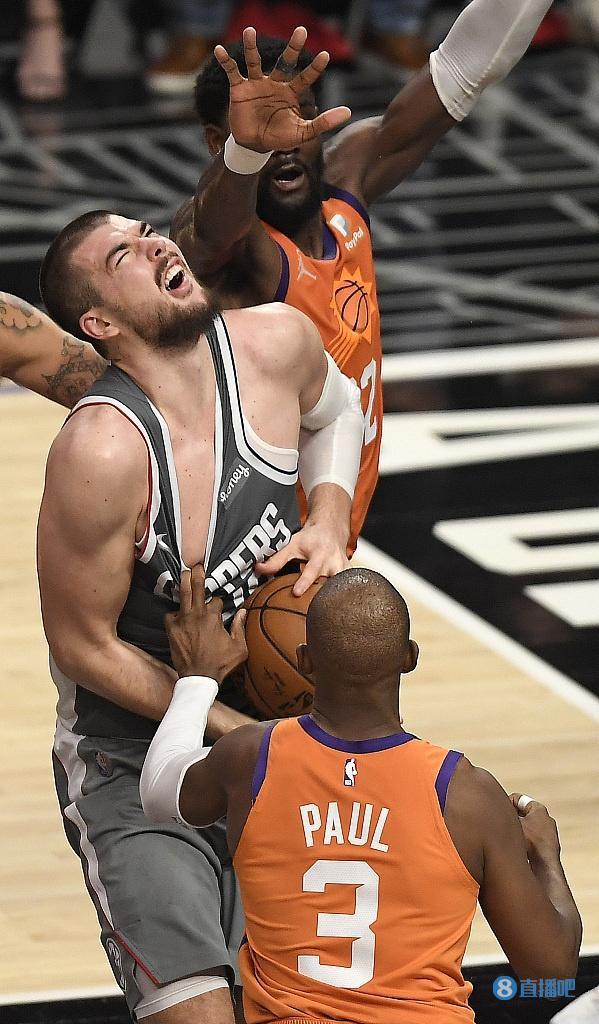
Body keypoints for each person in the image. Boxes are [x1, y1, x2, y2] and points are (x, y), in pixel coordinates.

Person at [1, 0, 555, 552]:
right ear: (219, 141)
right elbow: (210, 231)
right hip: (252, 546)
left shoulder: (350, 179)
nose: (285, 140)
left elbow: (461, 71)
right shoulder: (229, 244)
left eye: (299, 117)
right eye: (264, 127)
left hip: (327, 512)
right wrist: (246, 151)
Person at [37, 210, 364, 1023]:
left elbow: (338, 408)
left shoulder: (275, 341)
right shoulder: (102, 450)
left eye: (149, 231)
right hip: (130, 760)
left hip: (267, 745)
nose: (156, 244)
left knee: (293, 1009)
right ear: (99, 323)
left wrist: (327, 518)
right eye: (124, 254)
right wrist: (212, 710)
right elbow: (81, 645)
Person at [140, 565, 582, 1024]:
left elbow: (157, 790)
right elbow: (551, 973)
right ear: (410, 656)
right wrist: (545, 856)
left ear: (304, 660)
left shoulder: (252, 758)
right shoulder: (468, 794)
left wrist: (197, 679)